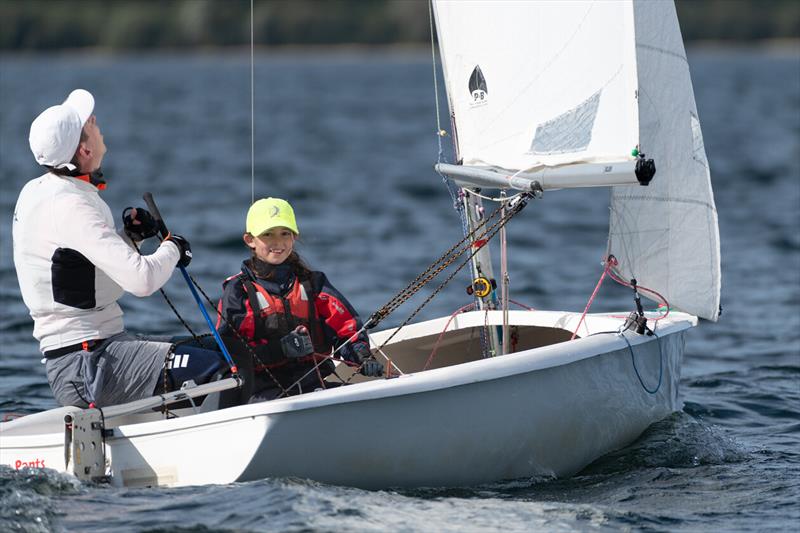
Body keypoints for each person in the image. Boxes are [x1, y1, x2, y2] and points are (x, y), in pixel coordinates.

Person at [13, 88, 232, 408]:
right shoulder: (71, 206)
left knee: (220, 348)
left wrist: (130, 238)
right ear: (85, 151)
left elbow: (79, 275)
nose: (95, 121)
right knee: (222, 367)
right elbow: (142, 281)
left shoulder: (39, 192)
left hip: (92, 356)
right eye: (88, 123)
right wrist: (173, 249)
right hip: (88, 365)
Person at [217, 197, 384, 401]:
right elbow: (229, 357)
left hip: (315, 386)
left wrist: (363, 357)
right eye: (267, 234)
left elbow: (346, 331)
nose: (278, 242)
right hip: (262, 396)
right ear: (250, 240)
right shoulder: (238, 291)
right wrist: (280, 349)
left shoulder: (313, 283)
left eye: (285, 233)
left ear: (294, 237)